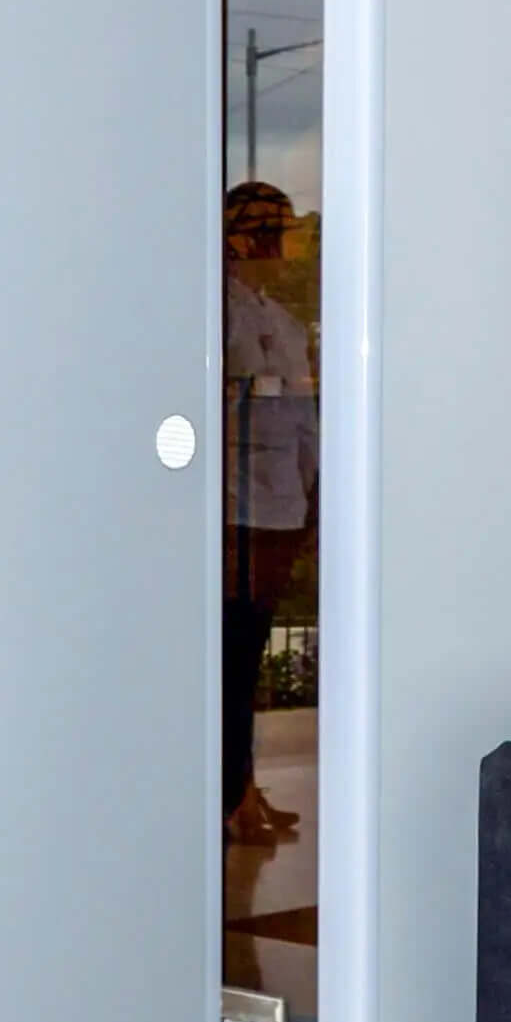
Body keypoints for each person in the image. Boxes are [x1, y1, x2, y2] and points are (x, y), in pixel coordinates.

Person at [223, 180, 317, 844]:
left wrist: (316, 502)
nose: (277, 248)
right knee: (227, 658)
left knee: (248, 659)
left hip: (281, 511)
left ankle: (242, 786)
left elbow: (305, 423)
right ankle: (229, 793)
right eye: (267, 233)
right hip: (232, 514)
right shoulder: (213, 312)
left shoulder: (281, 321)